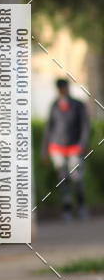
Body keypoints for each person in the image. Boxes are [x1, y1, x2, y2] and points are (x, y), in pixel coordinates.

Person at [41, 78, 90, 220]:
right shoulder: (54, 106)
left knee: (76, 177)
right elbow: (49, 128)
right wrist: (45, 150)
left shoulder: (78, 105)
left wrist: (82, 144)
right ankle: (66, 208)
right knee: (62, 177)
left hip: (75, 146)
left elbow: (85, 126)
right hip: (57, 146)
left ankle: (81, 206)